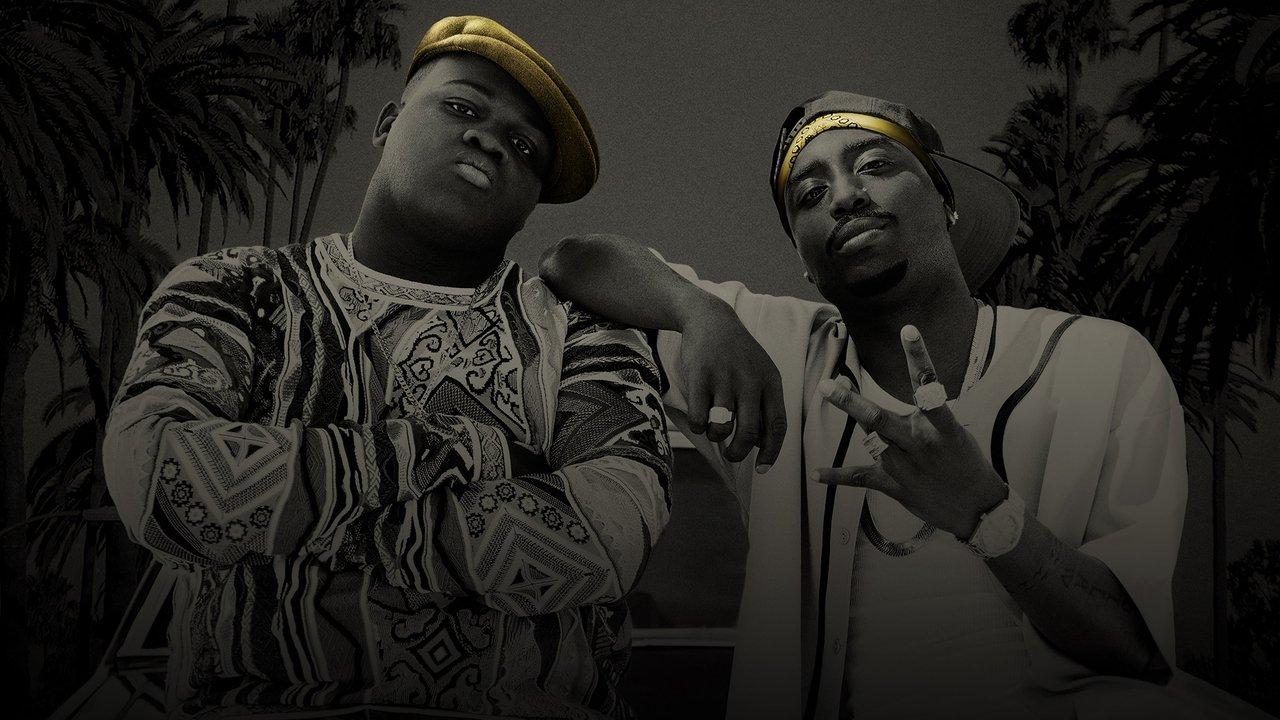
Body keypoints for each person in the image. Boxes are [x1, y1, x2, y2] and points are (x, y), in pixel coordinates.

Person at [540, 91, 1271, 719]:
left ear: (946, 201)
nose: (844, 196)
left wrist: (987, 515)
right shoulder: (777, 355)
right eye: (810, 195)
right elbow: (571, 260)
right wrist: (697, 310)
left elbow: (1134, 648)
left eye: (876, 165)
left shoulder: (1100, 364)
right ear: (804, 260)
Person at [103, 16, 671, 720]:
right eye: (462, 107)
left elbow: (606, 535)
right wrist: (459, 451)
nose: (490, 139)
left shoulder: (587, 330)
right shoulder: (234, 288)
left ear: (532, 204)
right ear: (387, 122)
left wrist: (283, 525)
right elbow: (156, 478)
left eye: (524, 147)